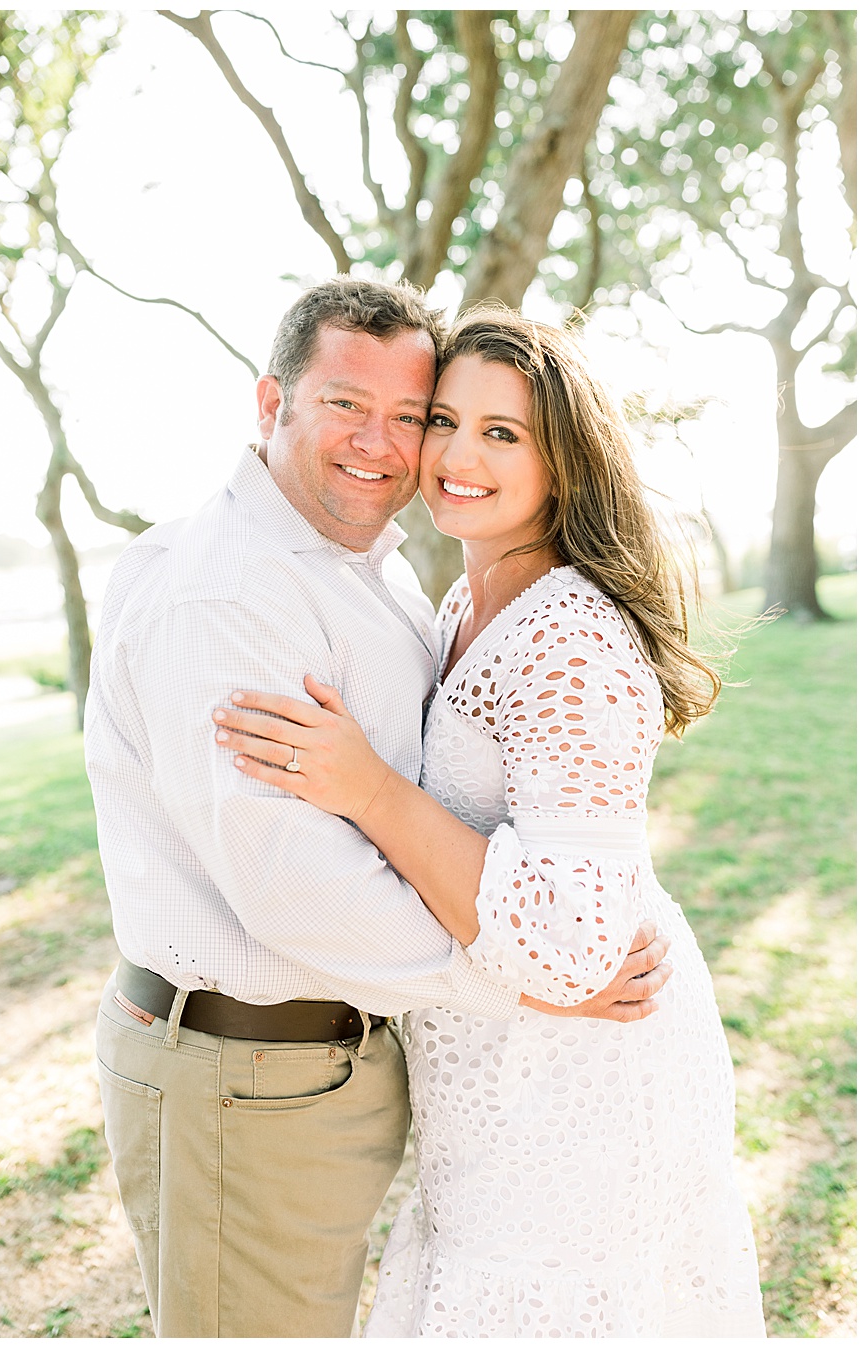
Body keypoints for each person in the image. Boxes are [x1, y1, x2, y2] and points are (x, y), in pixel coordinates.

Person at [82, 278, 673, 1337]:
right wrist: (533, 990)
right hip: (244, 1075)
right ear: (271, 405)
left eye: (414, 415)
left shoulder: (385, 577)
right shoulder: (232, 594)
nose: (395, 444)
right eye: (353, 406)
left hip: (330, 1073)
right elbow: (297, 890)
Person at [217, 309, 764, 1335]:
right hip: (491, 1068)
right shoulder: (460, 609)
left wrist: (369, 787)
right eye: (443, 421)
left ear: (563, 462)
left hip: (584, 1084)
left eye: (502, 433)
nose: (456, 456)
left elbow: (570, 945)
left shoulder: (570, 640)